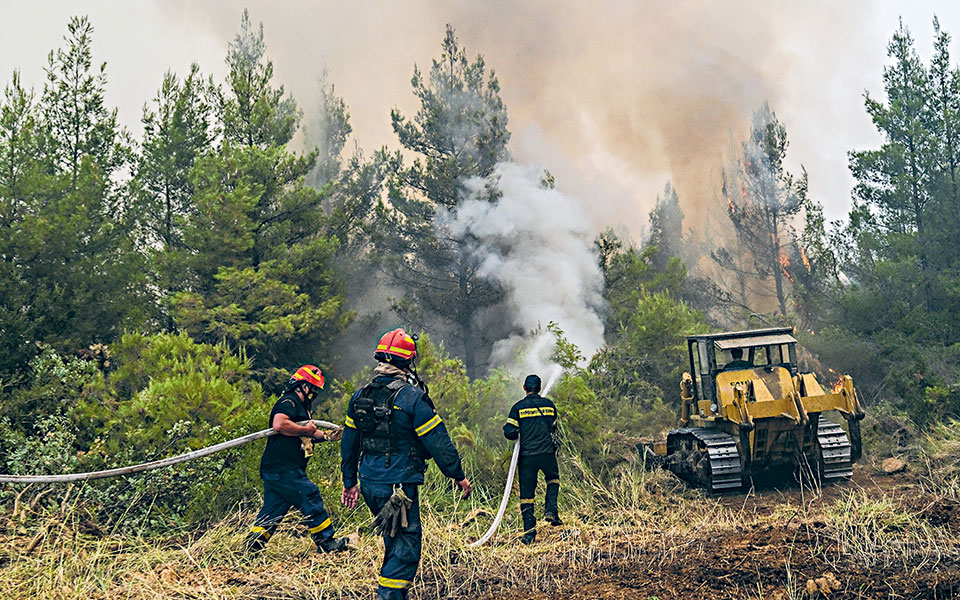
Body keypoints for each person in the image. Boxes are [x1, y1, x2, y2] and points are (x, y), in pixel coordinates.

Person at [340, 328, 471, 600]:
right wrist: (457, 475)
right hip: (398, 488)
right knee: (405, 547)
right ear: (407, 362)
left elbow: (349, 444)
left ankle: (395, 594)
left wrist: (350, 482)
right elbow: (438, 442)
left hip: (370, 484)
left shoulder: (359, 396)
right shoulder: (411, 398)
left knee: (393, 539)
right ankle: (388, 596)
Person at [246, 365, 350, 554]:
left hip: (279, 468)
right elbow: (280, 424)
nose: (314, 394)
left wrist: (326, 436)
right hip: (283, 468)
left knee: (273, 511)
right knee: (310, 494)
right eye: (313, 389)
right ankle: (326, 542)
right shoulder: (289, 401)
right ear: (303, 386)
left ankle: (252, 546)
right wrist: (305, 430)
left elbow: (307, 433)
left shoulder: (302, 407)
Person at [503, 374, 562, 545]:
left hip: (527, 456)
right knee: (553, 479)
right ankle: (551, 510)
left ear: (524, 388)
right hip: (547, 453)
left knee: (527, 495)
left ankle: (529, 533)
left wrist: (519, 431)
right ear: (540, 388)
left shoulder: (518, 408)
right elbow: (553, 427)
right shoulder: (550, 406)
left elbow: (509, 432)